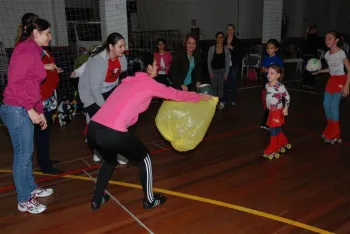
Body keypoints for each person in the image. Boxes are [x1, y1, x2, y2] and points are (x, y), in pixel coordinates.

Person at [87, 53, 212, 210]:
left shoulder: (126, 82)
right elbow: (175, 94)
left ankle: (97, 199)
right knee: (144, 157)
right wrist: (199, 97)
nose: (157, 66)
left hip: (93, 128)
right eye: (155, 63)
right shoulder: (148, 83)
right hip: (112, 132)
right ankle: (150, 200)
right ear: (148, 68)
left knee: (109, 160)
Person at [0, 17, 54, 214]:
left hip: (23, 108)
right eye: (47, 33)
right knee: (22, 156)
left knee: (26, 153)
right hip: (16, 109)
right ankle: (24, 200)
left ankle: (31, 188)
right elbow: (15, 83)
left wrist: (38, 109)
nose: (50, 37)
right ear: (35, 33)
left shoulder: (35, 50)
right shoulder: (26, 49)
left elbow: (32, 86)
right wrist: (30, 109)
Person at [78, 32, 128, 163]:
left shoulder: (122, 58)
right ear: (111, 46)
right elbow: (94, 89)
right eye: (120, 46)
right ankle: (98, 152)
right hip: (90, 93)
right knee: (99, 124)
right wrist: (106, 107)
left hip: (108, 90)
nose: (124, 49)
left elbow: (121, 76)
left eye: (124, 46)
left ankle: (117, 152)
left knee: (116, 122)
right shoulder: (98, 61)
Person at [313, 30, 350, 143]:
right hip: (332, 80)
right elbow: (331, 69)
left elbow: (349, 69)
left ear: (336, 40)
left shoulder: (341, 53)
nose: (327, 40)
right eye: (325, 38)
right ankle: (330, 127)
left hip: (341, 79)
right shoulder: (327, 54)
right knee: (326, 104)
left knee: (334, 104)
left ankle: (335, 132)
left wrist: (347, 86)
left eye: (330, 38)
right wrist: (319, 71)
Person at [262, 65, 291, 159]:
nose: (269, 75)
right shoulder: (267, 85)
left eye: (272, 73)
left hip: (278, 111)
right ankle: (283, 141)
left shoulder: (280, 87)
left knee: (273, 129)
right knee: (277, 128)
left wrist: (286, 108)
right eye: (268, 73)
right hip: (271, 111)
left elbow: (287, 97)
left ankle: (273, 147)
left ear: (278, 75)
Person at [260, 39, 284, 130]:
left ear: (276, 49)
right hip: (266, 83)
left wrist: (279, 82)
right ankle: (266, 120)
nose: (269, 50)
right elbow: (262, 69)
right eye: (268, 48)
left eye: (271, 48)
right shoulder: (266, 58)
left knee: (273, 103)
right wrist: (265, 70)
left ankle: (271, 122)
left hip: (274, 84)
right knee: (265, 101)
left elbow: (281, 71)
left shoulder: (278, 59)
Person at [207, 31, 231, 109]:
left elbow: (227, 62)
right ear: (215, 38)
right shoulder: (211, 49)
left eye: (221, 37)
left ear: (223, 39)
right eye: (218, 37)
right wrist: (210, 72)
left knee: (221, 87)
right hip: (213, 70)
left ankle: (220, 102)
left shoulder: (226, 49)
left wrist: (226, 73)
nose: (220, 39)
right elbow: (208, 61)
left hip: (222, 70)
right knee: (214, 87)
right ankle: (214, 103)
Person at [224, 24, 244, 106]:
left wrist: (232, 48)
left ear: (234, 30)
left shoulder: (238, 42)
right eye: (228, 29)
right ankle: (224, 99)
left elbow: (241, 53)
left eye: (231, 29)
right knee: (225, 82)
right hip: (225, 65)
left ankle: (233, 99)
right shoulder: (223, 41)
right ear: (226, 31)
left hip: (234, 64)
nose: (230, 31)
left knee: (233, 81)